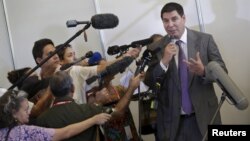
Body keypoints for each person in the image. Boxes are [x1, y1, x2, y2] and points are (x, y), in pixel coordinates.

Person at [146, 2, 227, 141]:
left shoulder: (205, 40)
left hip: (204, 117)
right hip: (172, 123)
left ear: (183, 18)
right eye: (165, 21)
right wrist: (163, 61)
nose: (170, 25)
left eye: (174, 19)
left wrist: (203, 71)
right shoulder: (156, 47)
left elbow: (223, 72)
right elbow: (150, 82)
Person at [36, 71, 143, 141]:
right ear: (73, 89)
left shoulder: (41, 120)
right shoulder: (87, 110)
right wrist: (132, 87)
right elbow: (118, 112)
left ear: (52, 93)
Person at [0, 90, 111, 141]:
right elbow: (66, 132)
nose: (29, 113)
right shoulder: (26, 132)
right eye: (25, 110)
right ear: (14, 112)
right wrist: (93, 120)